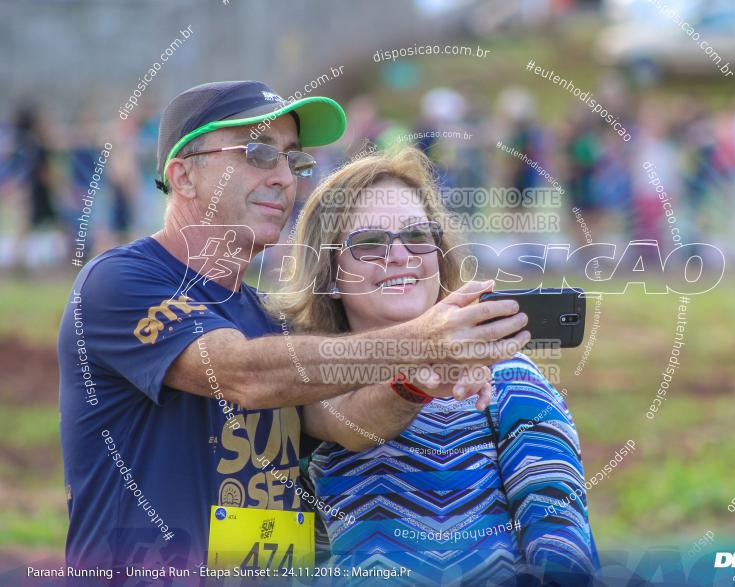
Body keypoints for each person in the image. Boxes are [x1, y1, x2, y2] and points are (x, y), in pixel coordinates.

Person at [57, 81, 530, 580]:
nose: (286, 177)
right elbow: (240, 375)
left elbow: (342, 423)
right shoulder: (119, 282)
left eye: (295, 161)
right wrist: (422, 338)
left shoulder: (266, 317)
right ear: (184, 175)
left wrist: (415, 379)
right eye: (260, 154)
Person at [270, 147, 599, 586]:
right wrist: (423, 373)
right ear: (328, 273)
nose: (401, 255)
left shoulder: (511, 381)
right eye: (369, 243)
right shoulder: (307, 391)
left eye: (418, 236)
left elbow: (562, 549)